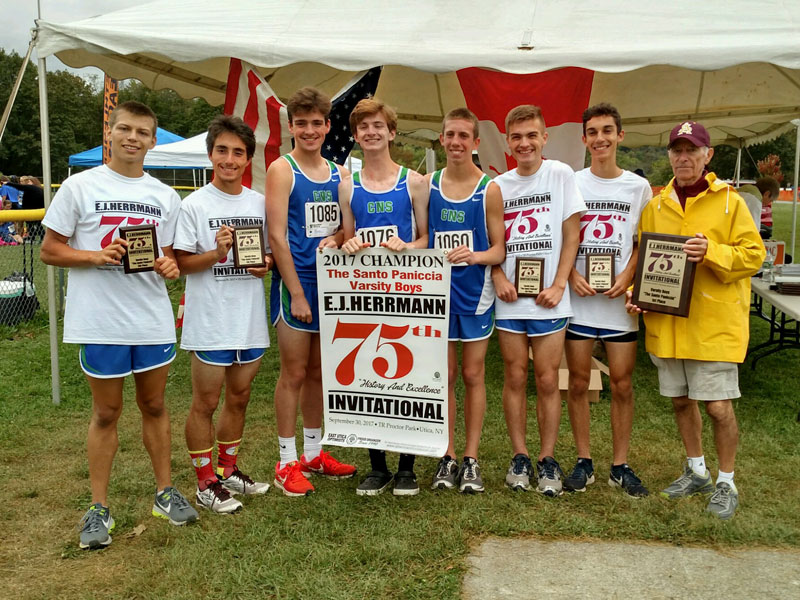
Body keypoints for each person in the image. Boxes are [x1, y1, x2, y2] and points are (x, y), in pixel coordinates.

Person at [40, 101, 198, 550]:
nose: (133, 137)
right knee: (107, 412)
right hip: (99, 319)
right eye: (124, 129)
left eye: (142, 132)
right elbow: (51, 250)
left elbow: (168, 255)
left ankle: (165, 493)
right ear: (109, 133)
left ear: (153, 141)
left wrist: (170, 267)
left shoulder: (165, 195)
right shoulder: (78, 186)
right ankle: (98, 509)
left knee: (154, 406)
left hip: (149, 319)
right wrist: (95, 255)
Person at [626, 121, 765, 520]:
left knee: (718, 407)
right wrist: (639, 293)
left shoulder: (730, 203)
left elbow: (754, 256)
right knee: (681, 402)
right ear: (669, 155)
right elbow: (648, 264)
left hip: (712, 324)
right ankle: (696, 469)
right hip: (669, 326)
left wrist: (714, 252)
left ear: (708, 156)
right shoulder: (657, 205)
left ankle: (727, 480)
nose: (683, 158)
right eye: (677, 151)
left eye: (692, 150)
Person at [173, 115, 272, 514]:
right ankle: (203, 482)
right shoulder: (193, 204)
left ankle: (227, 470)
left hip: (248, 318)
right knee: (205, 402)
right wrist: (216, 253)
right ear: (211, 154)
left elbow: (267, 256)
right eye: (222, 151)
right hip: (211, 319)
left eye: (238, 152)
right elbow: (180, 263)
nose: (229, 159)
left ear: (247, 159)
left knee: (241, 396)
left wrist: (263, 264)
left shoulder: (259, 203)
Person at [265, 87, 357, 497]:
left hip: (332, 283)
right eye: (300, 123)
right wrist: (296, 292)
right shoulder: (282, 170)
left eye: (316, 123)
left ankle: (314, 453)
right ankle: (286, 462)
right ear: (291, 127)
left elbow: (345, 227)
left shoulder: (340, 173)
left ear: (327, 126)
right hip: (297, 282)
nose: (308, 130)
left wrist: (338, 237)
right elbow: (276, 236)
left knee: (321, 373)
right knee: (294, 372)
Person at [492, 105, 585, 497]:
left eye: (532, 135)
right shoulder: (498, 187)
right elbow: (491, 243)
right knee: (514, 377)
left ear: (544, 138)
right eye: (517, 137)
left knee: (548, 380)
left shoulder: (560, 174)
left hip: (550, 299)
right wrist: (497, 275)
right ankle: (520, 456)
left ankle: (547, 458)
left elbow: (572, 235)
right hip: (511, 299)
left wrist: (560, 284)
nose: (525, 143)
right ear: (508, 143)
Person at [338, 98, 430, 496]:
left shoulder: (414, 181)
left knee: (406, 375)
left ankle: (406, 467)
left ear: (392, 132)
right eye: (363, 128)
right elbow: (345, 237)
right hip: (363, 296)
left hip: (406, 295)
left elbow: (427, 240)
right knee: (369, 376)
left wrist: (407, 247)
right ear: (356, 136)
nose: (371, 132)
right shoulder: (348, 184)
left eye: (378, 126)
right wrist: (347, 243)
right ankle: (376, 465)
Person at [563, 103, 651, 496]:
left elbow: (642, 243)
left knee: (621, 384)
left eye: (607, 131)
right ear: (584, 139)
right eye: (593, 132)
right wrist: (572, 275)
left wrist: (629, 278)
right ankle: (584, 461)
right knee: (578, 382)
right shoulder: (572, 182)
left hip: (618, 303)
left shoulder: (638, 187)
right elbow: (562, 238)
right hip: (580, 300)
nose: (600, 138)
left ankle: (620, 464)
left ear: (620, 135)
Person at [428, 108, 505, 494]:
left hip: (475, 294)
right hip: (435, 296)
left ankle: (471, 458)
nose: (456, 142)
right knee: (444, 378)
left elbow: (499, 250)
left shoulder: (488, 189)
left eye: (464, 136)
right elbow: (421, 240)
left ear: (475, 143)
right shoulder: (427, 185)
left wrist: (473, 256)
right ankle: (447, 454)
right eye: (450, 135)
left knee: (473, 376)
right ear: (441, 139)